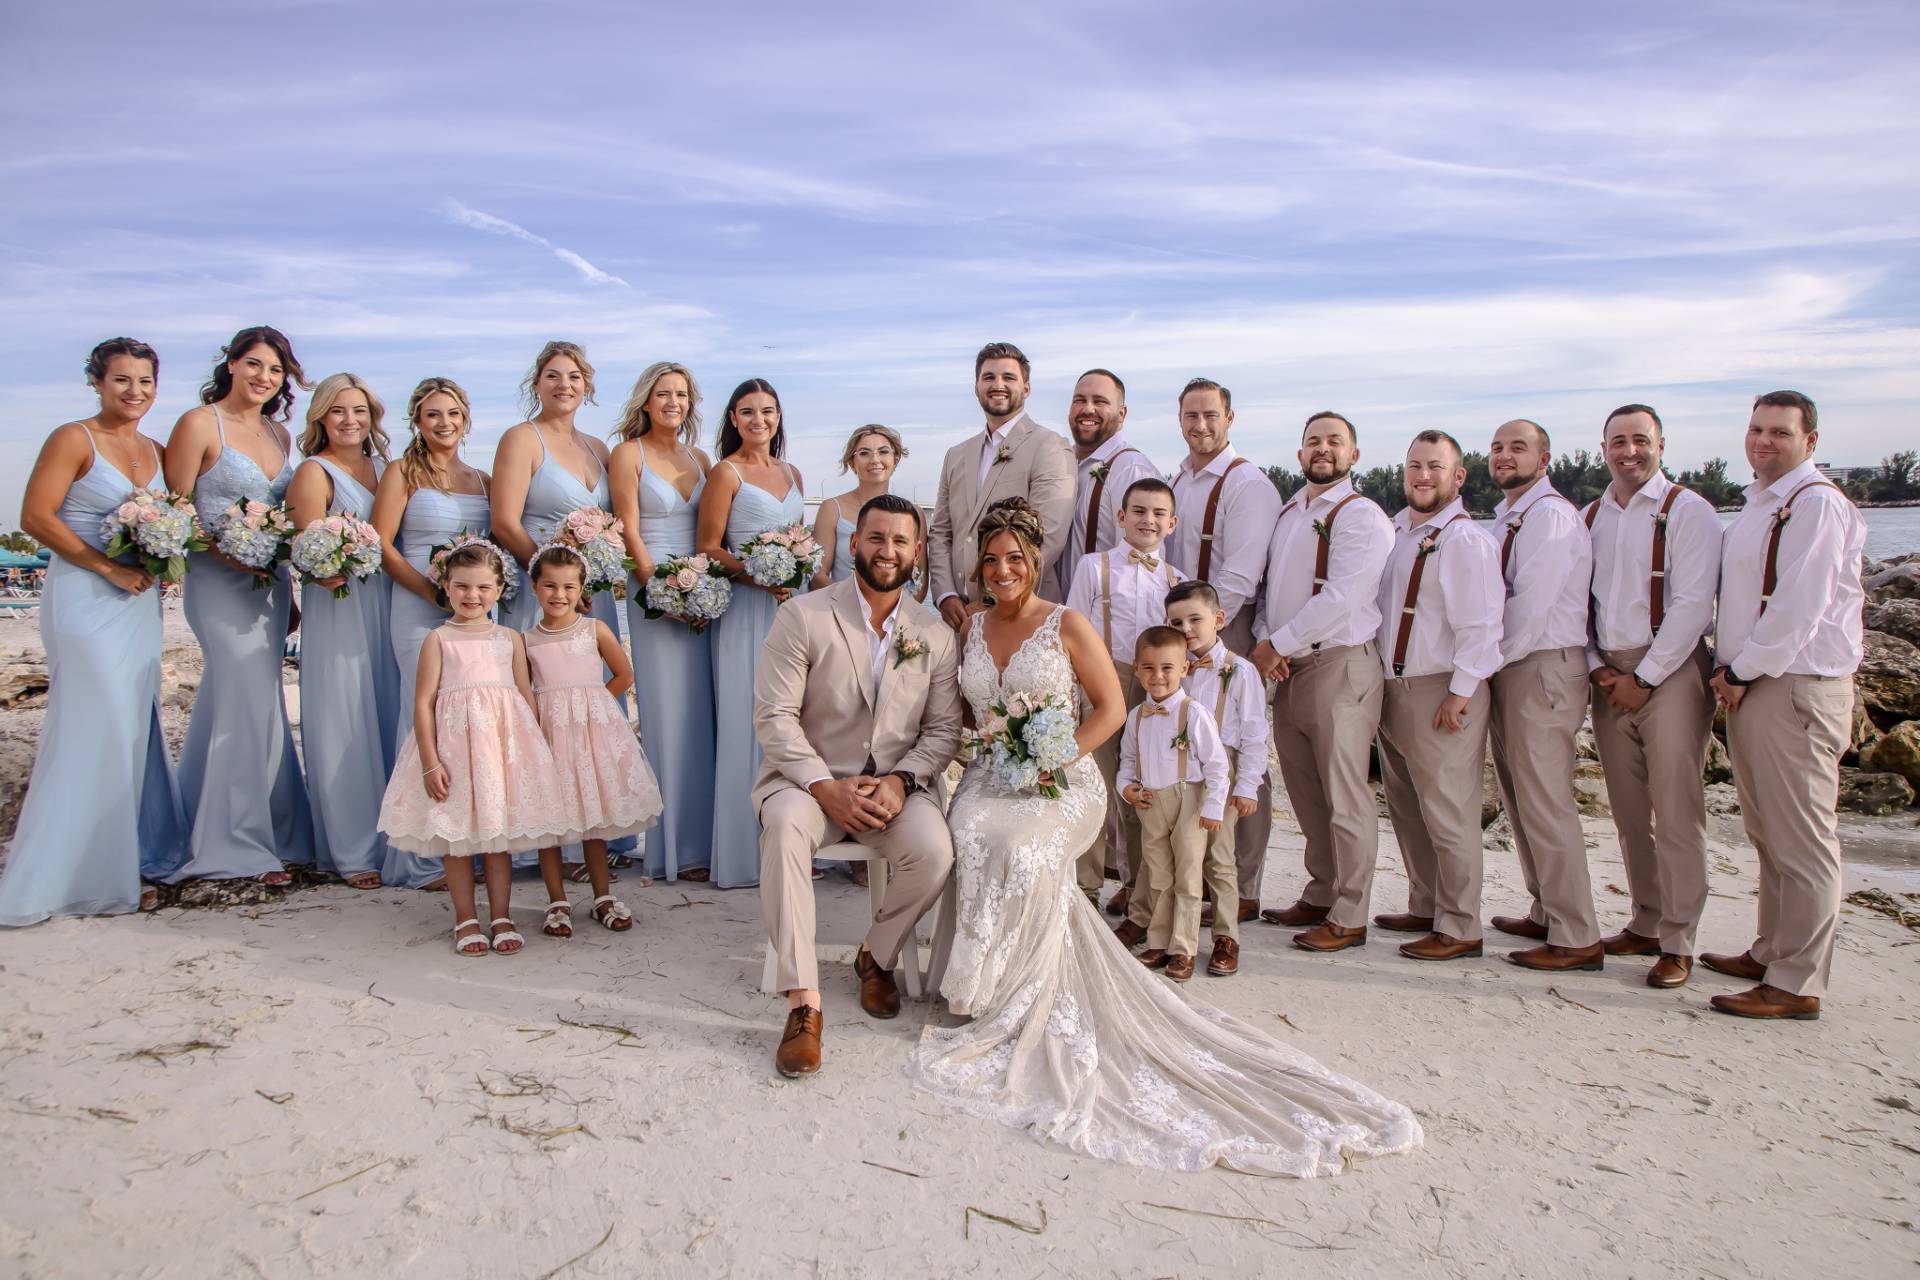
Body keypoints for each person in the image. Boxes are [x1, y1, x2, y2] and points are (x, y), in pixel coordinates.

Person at [907, 498, 1421, 1177]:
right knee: (970, 830)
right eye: (992, 560)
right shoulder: (968, 628)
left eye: (1016, 559)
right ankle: (970, 985)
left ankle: (1015, 993)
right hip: (992, 778)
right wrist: (989, 758)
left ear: (1034, 563)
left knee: (1026, 847)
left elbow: (1112, 708)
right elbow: (965, 714)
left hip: (1064, 780)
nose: (1003, 570)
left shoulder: (1067, 623)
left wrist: (1052, 760)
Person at [751, 495, 962, 1077]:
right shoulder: (803, 615)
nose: (887, 551)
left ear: (917, 551)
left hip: (894, 786)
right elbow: (774, 716)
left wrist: (900, 780)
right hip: (807, 781)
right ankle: (803, 1003)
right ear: (853, 544)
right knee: (786, 827)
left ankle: (877, 953)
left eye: (900, 541)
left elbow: (943, 730)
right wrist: (823, 786)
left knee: (936, 850)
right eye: (876, 538)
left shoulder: (935, 634)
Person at [0, 338, 188, 926]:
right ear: (97, 382)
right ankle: (72, 874)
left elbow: (176, 521)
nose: (135, 392)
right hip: (85, 597)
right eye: (122, 380)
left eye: (145, 382)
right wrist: (105, 565)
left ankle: (126, 855)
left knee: (133, 723)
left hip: (137, 603)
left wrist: (163, 555)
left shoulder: (157, 449)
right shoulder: (72, 438)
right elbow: (35, 517)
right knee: (94, 720)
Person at [1705, 390, 1866, 1020]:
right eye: (1755, 429)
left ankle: (1797, 981)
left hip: (1795, 684)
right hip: (1758, 681)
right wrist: (1733, 666)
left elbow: (1800, 604)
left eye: (1778, 431)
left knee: (1802, 836)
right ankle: (1771, 947)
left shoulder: (1817, 505)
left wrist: (1742, 667)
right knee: (1768, 828)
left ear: (1810, 440)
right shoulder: (1764, 504)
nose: (1762, 441)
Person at [159, 326, 314, 886]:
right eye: (253, 365)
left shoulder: (278, 433)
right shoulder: (199, 424)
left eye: (274, 370)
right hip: (217, 582)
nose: (263, 378)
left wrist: (288, 590)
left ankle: (258, 826)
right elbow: (174, 513)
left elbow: (284, 518)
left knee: (245, 699)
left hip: (268, 585)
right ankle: (235, 843)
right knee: (245, 693)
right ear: (230, 364)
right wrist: (225, 552)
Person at [377, 543, 574, 956]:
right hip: (454, 753)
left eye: (483, 587)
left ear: (500, 589)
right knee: (457, 838)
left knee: (496, 836)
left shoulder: (508, 639)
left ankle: (501, 914)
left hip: (502, 752)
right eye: (462, 586)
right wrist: (430, 763)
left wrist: (535, 752)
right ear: (446, 588)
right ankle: (465, 917)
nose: (472, 596)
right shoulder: (439, 639)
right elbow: (423, 702)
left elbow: (525, 694)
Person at [1584, 403, 1721, 989]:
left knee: (1677, 811)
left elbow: (1693, 605)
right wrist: (1597, 667)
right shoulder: (1591, 514)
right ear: (1604, 447)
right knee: (1629, 810)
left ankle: (1679, 941)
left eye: (1641, 440)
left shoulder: (1688, 511)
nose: (1629, 451)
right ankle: (1645, 919)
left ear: (1661, 445)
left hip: (1669, 672)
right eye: (1618, 441)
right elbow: (1578, 602)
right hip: (1610, 676)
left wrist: (1646, 679)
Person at [489, 343, 634, 873]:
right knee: (539, 712)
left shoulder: (599, 447)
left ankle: (597, 833)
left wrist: (593, 576)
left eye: (574, 376)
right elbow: (505, 521)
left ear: (588, 385)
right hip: (542, 598)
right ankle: (536, 837)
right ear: (537, 383)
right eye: (553, 376)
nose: (564, 385)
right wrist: (558, 579)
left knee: (592, 714)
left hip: (590, 601)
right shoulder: (520, 439)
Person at [1251, 412, 1393, 953]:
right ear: (1300, 453)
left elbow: (1342, 599)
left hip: (1340, 664)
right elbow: (1270, 590)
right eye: (1313, 441)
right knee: (1306, 789)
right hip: (1289, 667)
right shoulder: (1290, 513)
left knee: (1345, 793)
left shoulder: (1362, 517)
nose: (1323, 449)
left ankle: (1351, 912)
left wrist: (1275, 645)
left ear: (1354, 455)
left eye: (1335, 441)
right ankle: (1321, 887)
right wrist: (1270, 642)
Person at [1371, 431, 1505, 963]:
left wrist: (1462, 691)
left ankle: (1461, 924)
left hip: (1442, 688)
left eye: (1434, 467)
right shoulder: (1401, 531)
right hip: (1394, 688)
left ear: (1458, 477)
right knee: (1407, 807)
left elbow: (1482, 624)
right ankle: (1425, 903)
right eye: (1413, 467)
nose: (1422, 476)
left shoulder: (1465, 540)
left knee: (1450, 812)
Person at [1484, 419, 1602, 971]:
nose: (1505, 456)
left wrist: (1478, 665)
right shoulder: (1513, 515)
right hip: (1515, 665)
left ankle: (1577, 934)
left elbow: (1530, 609)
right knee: (1519, 794)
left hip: (1542, 666)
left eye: (1518, 448)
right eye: (1498, 448)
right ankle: (1546, 908)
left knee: (1546, 800)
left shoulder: (1551, 517)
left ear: (1545, 457)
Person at [369, 377, 494, 890]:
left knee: (471, 724)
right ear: (416, 423)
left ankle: (469, 842)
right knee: (422, 713)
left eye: (453, 414)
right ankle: (421, 856)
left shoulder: (482, 479)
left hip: (470, 613)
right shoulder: (403, 472)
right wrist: (430, 591)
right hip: (419, 608)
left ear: (466, 418)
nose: (444, 423)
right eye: (432, 415)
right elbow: (380, 544)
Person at [1166, 378, 1281, 922]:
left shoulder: (1248, 485)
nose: (1200, 425)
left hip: (1223, 630)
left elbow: (1240, 574)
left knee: (1237, 753)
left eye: (1210, 415)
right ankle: (1191, 877)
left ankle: (1245, 884)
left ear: (1230, 418)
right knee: (1188, 753)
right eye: (1191, 415)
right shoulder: (1179, 481)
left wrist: (1205, 634)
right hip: (1186, 634)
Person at [286, 373, 400, 890]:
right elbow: (305, 549)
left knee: (385, 713)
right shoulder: (314, 472)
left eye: (359, 411)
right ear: (320, 418)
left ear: (373, 418)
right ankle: (352, 849)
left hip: (388, 601)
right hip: (339, 603)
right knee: (344, 716)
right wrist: (328, 563)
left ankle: (396, 840)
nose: (350, 420)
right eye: (338, 411)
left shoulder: (388, 469)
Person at [609, 361, 716, 883]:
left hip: (702, 596)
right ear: (645, 402)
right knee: (666, 714)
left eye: (682, 394)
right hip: (652, 593)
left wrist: (702, 590)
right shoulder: (628, 454)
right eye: (663, 394)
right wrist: (661, 590)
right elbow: (629, 527)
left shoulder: (701, 457)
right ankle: (673, 846)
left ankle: (707, 840)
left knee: (702, 714)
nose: (674, 402)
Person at [523, 545, 663, 938]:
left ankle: (602, 897)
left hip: (590, 733)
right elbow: (524, 690)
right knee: (549, 823)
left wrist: (591, 703)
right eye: (549, 585)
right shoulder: (526, 640)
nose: (559, 594)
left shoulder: (594, 629)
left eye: (569, 586)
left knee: (593, 819)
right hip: (548, 735)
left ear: (582, 587)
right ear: (534, 587)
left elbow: (624, 675)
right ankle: (556, 901)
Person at [699, 378, 805, 888]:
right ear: (734, 419)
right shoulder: (726, 472)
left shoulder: (793, 471)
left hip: (793, 611)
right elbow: (709, 547)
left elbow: (804, 542)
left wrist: (797, 567)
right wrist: (758, 571)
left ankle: (792, 841)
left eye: (767, 411)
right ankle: (742, 856)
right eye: (747, 412)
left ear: (779, 416)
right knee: (747, 719)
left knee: (793, 718)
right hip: (746, 610)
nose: (758, 420)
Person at [1064, 477, 1182, 907]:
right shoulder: (1093, 566)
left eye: (1158, 514)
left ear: (1172, 523)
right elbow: (1072, 630)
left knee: (1141, 792)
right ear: (1121, 517)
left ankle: (1139, 892)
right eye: (1139, 511)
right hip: (1100, 682)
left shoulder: (1176, 579)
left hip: (1154, 690)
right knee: (1093, 786)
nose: (1147, 520)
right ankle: (1085, 888)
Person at [927, 342, 1074, 626]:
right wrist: (945, 595)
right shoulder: (956, 455)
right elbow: (941, 532)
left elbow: (1049, 537)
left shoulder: (1050, 447)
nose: (998, 385)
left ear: (1026, 388)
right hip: (961, 619)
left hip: (1023, 616)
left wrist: (993, 599)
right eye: (989, 377)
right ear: (976, 387)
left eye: (1009, 378)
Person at [1114, 626, 1231, 982]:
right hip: (1151, 801)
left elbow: (1217, 765)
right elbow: (1128, 762)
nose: (1158, 676)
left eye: (1167, 668)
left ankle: (1184, 948)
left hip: (1189, 800)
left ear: (1184, 669)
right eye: (1148, 668)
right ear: (1136, 668)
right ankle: (1158, 941)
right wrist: (1126, 788)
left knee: (1188, 876)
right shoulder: (1136, 716)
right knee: (1159, 875)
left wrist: (1213, 808)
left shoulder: (1194, 714)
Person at [1164, 581, 1267, 976]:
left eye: (1195, 619)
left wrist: (1247, 786)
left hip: (1220, 772)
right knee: (1182, 858)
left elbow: (1256, 735)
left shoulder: (1241, 672)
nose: (1186, 629)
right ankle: (1178, 938)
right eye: (1177, 622)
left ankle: (1227, 936)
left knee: (1220, 859)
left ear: (1219, 620)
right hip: (1176, 770)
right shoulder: (1174, 669)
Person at [1052, 368, 1158, 597]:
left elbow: (1142, 561)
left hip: (1104, 617)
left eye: (1100, 401)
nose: (1087, 409)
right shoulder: (1062, 463)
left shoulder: (1131, 469)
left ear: (1122, 413)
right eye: (1080, 400)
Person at [809, 424, 926, 599]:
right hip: (841, 611)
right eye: (864, 453)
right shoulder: (832, 509)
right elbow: (818, 577)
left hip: (895, 620)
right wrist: (862, 605)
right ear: (851, 462)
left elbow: (920, 583)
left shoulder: (914, 513)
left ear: (896, 459)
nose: (874, 460)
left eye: (883, 451)